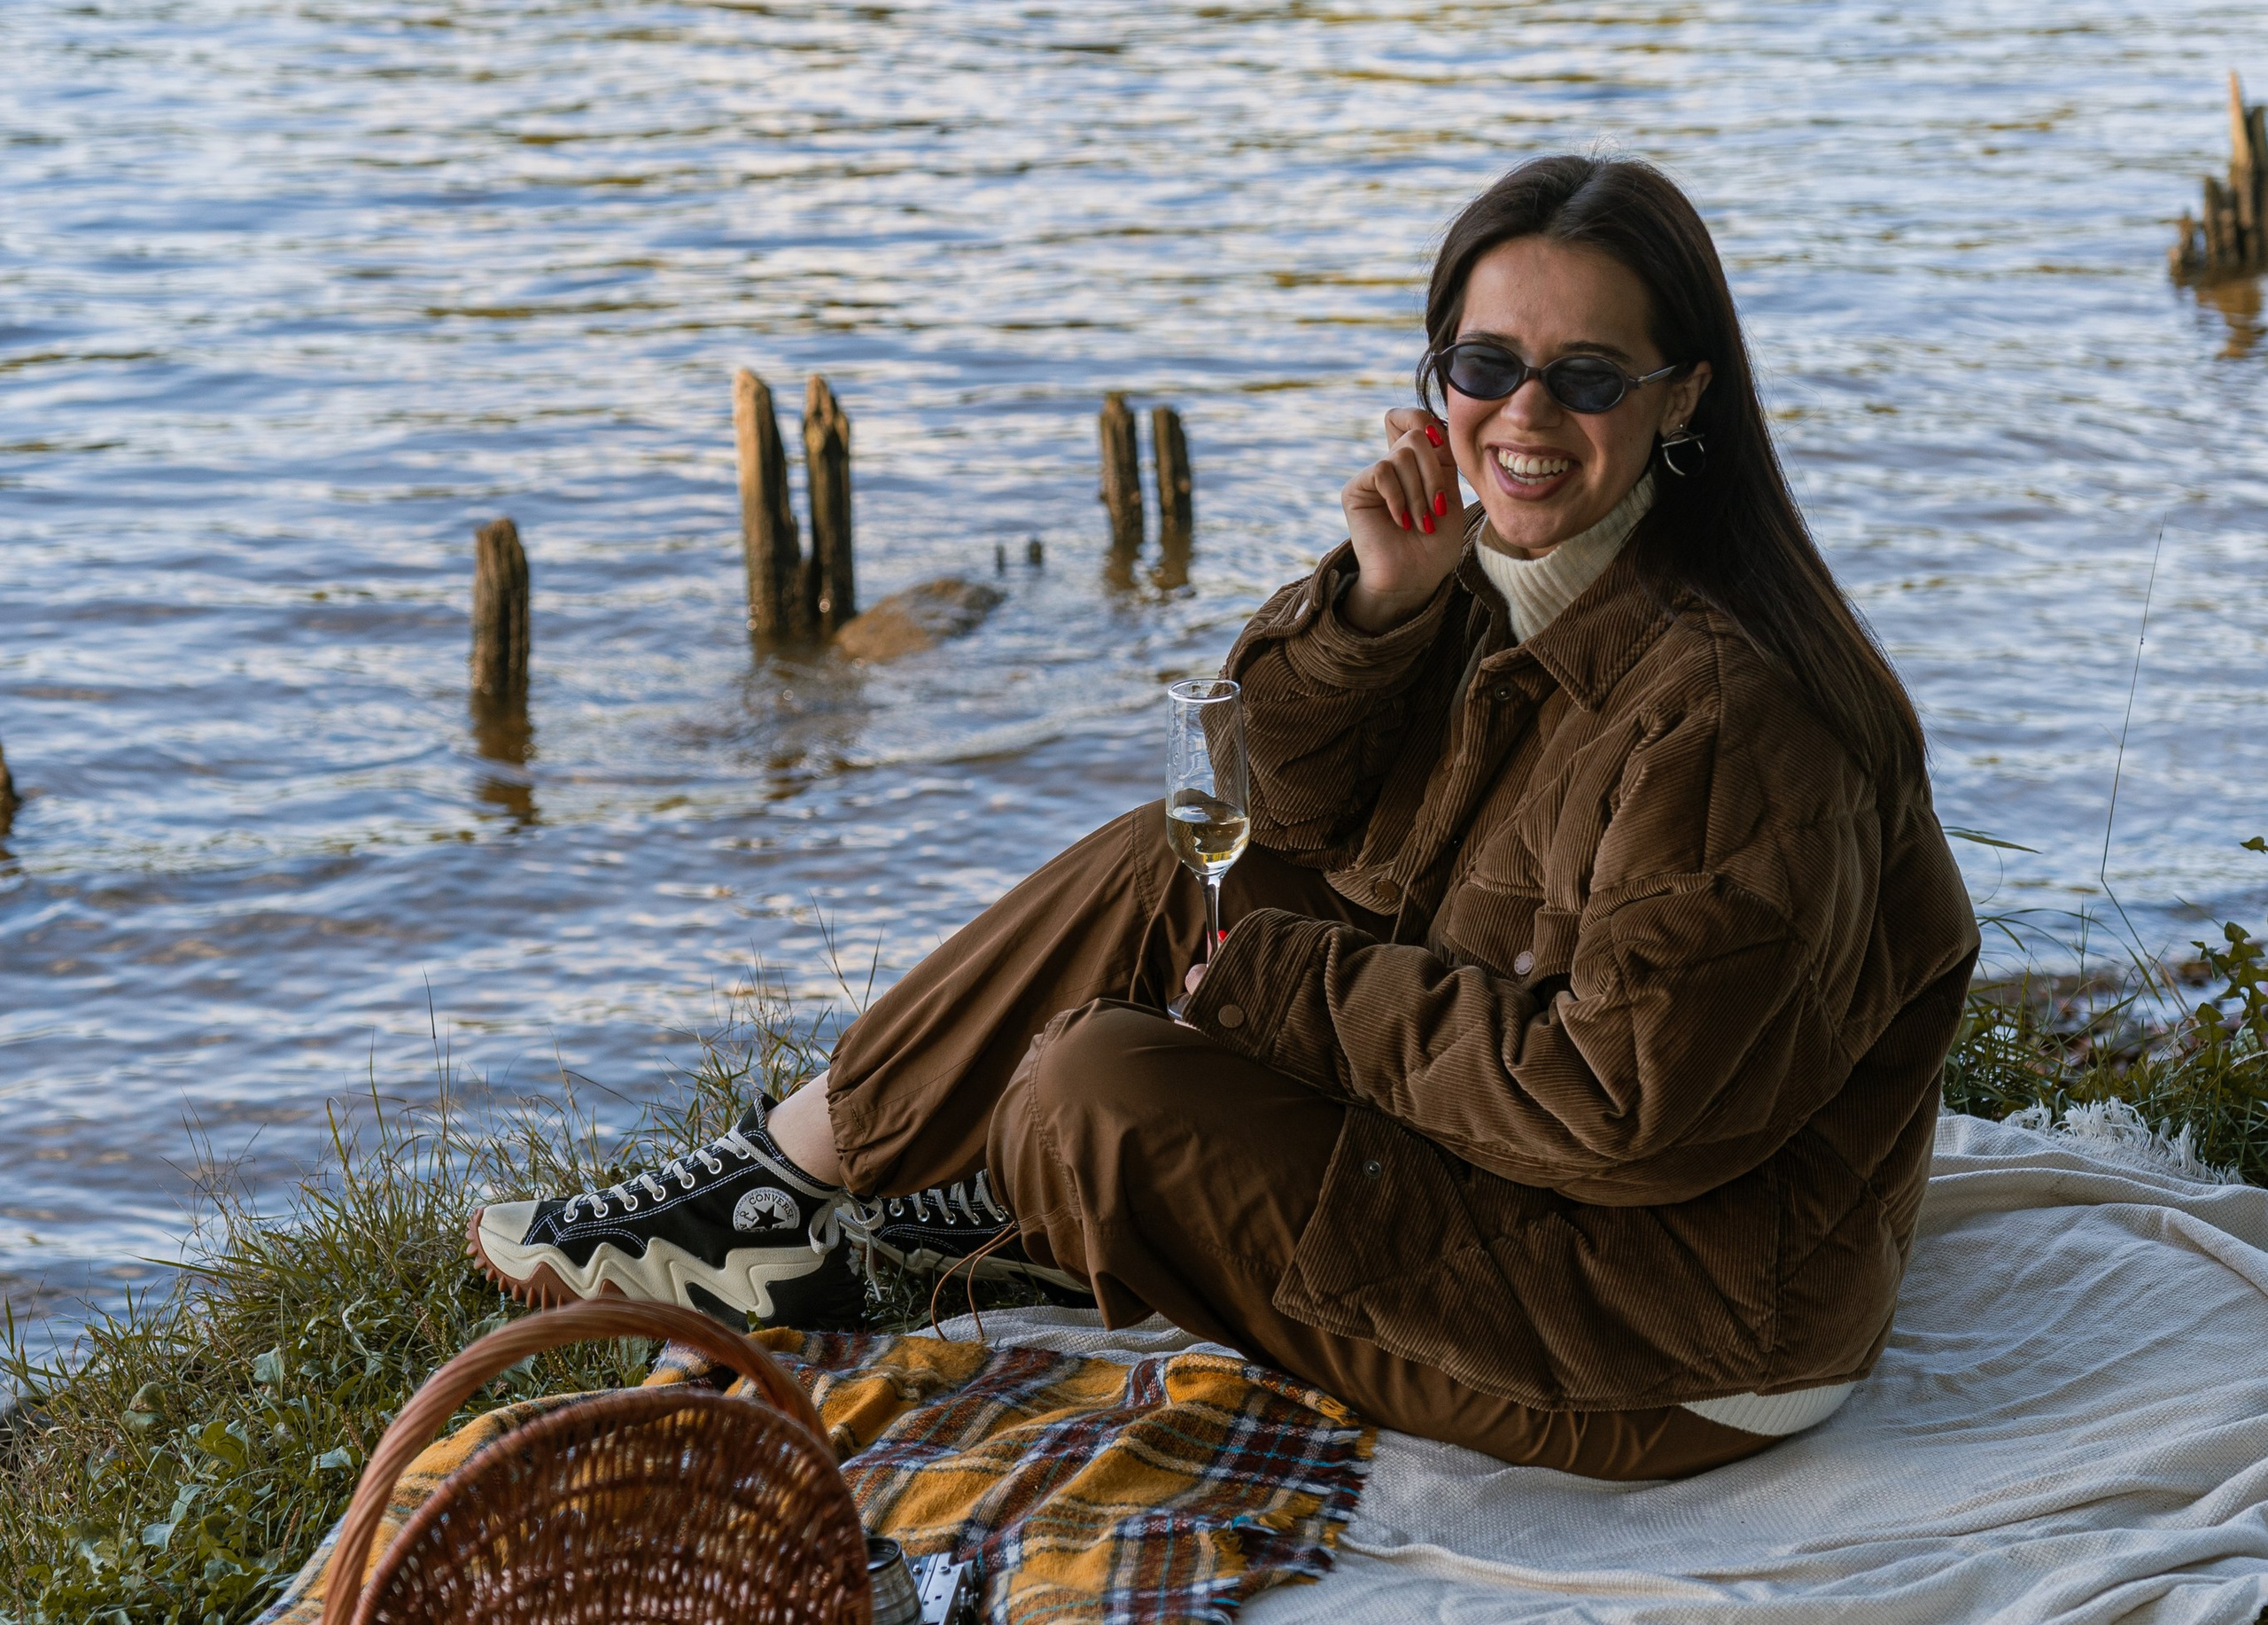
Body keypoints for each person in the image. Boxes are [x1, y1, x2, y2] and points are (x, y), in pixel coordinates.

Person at [472, 153, 1978, 1476]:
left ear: (1682, 396)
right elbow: (1257, 801)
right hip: (1526, 1193)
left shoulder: (1728, 710)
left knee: (1091, 1091)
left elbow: (1624, 1113)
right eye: (1482, 366)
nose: (1522, 414)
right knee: (1170, 866)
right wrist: (1377, 609)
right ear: (1435, 376)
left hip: (1677, 1332)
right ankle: (784, 1188)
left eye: (1586, 377)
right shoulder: (1496, 578)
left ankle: (930, 1223)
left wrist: (1274, 989)